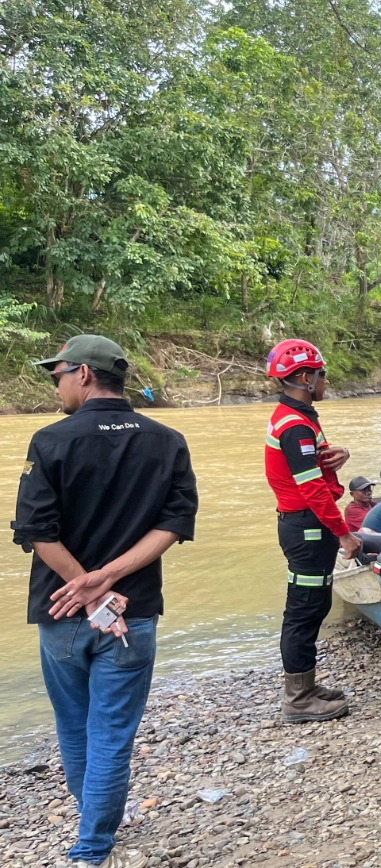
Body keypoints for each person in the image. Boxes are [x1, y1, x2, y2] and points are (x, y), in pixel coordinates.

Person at [11, 335, 199, 868]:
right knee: (112, 733)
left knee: (75, 727)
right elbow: (174, 524)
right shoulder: (167, 440)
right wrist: (109, 580)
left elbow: (36, 531)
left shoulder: (51, 440)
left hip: (62, 609)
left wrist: (88, 585)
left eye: (57, 375)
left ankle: (91, 833)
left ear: (84, 374)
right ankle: (93, 842)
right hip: (131, 612)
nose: (56, 385)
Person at [262, 338, 358, 723]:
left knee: (314, 605)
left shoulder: (297, 416)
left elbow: (316, 465)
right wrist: (344, 533)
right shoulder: (295, 426)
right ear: (305, 377)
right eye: (322, 375)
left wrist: (342, 454)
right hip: (307, 528)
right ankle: (298, 698)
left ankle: (305, 686)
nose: (325, 382)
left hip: (305, 525)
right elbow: (312, 489)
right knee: (304, 609)